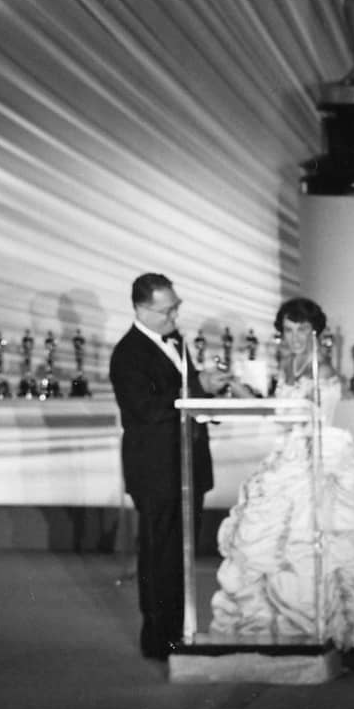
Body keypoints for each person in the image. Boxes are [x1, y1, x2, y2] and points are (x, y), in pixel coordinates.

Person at [209, 296, 354, 651]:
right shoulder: (290, 363)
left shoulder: (322, 368)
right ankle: (294, 624)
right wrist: (239, 388)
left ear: (316, 331)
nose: (295, 338)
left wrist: (256, 400)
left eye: (302, 330)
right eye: (288, 330)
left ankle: (340, 627)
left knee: (327, 541)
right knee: (282, 543)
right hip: (291, 451)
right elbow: (278, 413)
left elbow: (296, 415)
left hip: (318, 453)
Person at [110, 273, 234, 659]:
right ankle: (158, 637)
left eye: (176, 308)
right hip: (156, 471)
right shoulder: (128, 353)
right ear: (141, 309)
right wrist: (198, 388)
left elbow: (186, 395)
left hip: (187, 465)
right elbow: (145, 410)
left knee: (181, 555)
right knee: (160, 554)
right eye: (167, 310)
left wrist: (212, 394)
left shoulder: (176, 342)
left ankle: (179, 630)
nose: (174, 317)